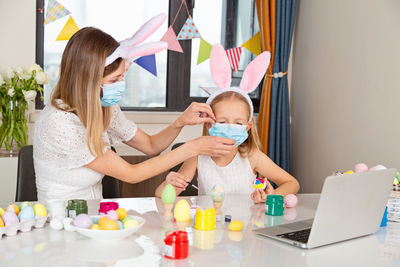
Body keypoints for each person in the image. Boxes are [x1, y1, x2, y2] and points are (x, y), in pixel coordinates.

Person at [33, 15, 235, 202]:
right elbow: (132, 174)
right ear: (88, 81)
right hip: (59, 219)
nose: (121, 84)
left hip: (95, 215)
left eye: (122, 76)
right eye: (115, 79)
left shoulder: (104, 107)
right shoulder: (59, 123)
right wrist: (193, 147)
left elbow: (150, 145)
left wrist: (180, 122)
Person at [155, 44, 299, 203]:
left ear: (247, 127)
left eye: (238, 123)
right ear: (209, 124)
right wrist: (167, 185)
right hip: (209, 226)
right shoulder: (197, 156)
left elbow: (292, 183)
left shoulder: (252, 156)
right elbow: (162, 195)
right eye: (223, 121)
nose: (230, 127)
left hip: (245, 226)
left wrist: (270, 197)